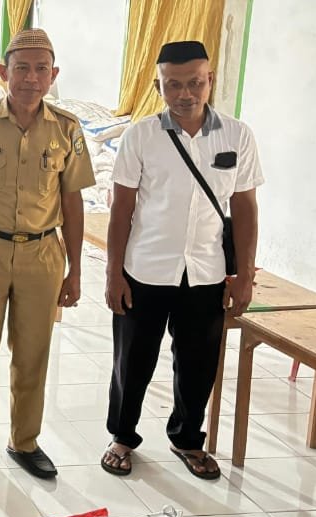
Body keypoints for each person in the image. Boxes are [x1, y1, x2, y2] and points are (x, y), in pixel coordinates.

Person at [102, 41, 263, 481]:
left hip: (207, 273)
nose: (185, 94)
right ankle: (122, 436)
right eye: (173, 85)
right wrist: (113, 272)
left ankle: (188, 438)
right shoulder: (141, 136)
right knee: (132, 361)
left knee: (197, 363)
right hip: (146, 269)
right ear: (160, 86)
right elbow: (121, 210)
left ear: (211, 80)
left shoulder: (237, 136)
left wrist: (244, 276)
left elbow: (245, 208)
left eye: (195, 82)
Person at [0, 29, 95, 481]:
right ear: (4, 73)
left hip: (44, 253)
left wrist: (76, 268)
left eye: (41, 68)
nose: (31, 78)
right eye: (21, 68)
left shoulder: (66, 128)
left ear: (54, 75)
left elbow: (73, 201)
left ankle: (24, 441)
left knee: (33, 351)